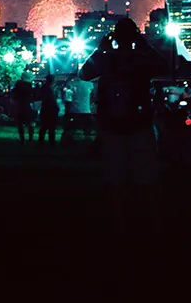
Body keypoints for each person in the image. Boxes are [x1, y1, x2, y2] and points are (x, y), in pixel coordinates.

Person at [80, 18, 164, 230]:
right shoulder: (141, 60)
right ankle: (152, 220)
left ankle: (122, 222)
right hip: (138, 122)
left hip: (114, 123)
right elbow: (164, 66)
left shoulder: (108, 60)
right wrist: (144, 44)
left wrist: (101, 49)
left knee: (117, 177)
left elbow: (85, 73)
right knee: (145, 177)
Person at [37, 74, 60, 145]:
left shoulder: (46, 87)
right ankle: (50, 142)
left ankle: (42, 141)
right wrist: (56, 106)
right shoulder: (48, 88)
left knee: (45, 126)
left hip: (46, 108)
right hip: (49, 109)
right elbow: (51, 98)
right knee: (50, 126)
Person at [12, 78, 36, 142]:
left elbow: (14, 98)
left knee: (21, 124)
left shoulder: (17, 91)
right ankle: (30, 138)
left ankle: (22, 139)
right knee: (30, 123)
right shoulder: (28, 89)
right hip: (27, 108)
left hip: (21, 108)